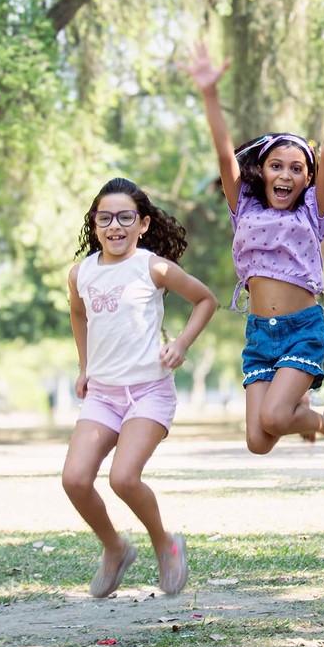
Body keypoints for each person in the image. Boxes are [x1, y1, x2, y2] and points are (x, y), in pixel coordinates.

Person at [185, 42, 324, 455]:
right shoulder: (243, 206)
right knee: (259, 441)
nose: (286, 175)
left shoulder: (312, 212)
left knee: (276, 418)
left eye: (298, 169)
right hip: (260, 333)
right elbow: (226, 157)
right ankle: (309, 411)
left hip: (301, 330)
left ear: (307, 179)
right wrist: (209, 94)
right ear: (261, 172)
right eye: (277, 165)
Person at [63, 178, 218, 597]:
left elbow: (206, 300)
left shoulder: (154, 267)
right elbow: (79, 316)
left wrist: (181, 343)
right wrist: (84, 366)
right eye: (105, 218)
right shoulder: (81, 274)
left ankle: (164, 544)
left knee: (123, 478)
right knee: (75, 479)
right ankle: (114, 549)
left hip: (148, 391)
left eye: (125, 217)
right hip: (103, 394)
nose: (115, 226)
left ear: (143, 223)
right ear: (94, 224)